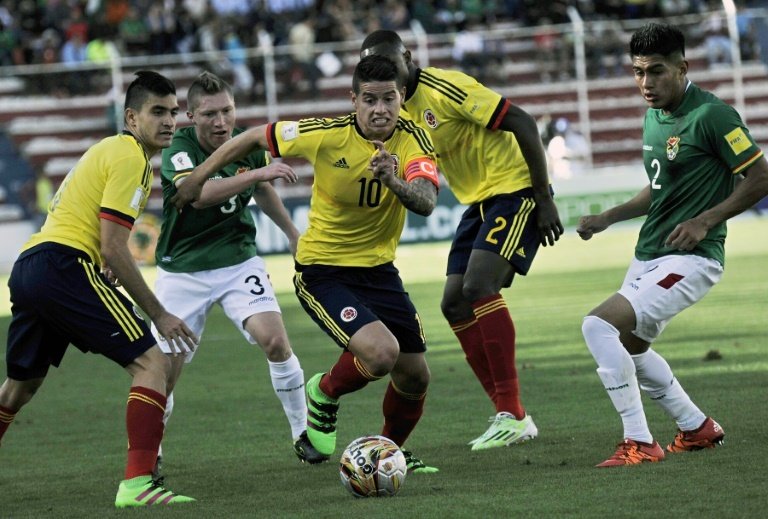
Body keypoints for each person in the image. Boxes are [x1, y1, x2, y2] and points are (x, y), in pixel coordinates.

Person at [171, 54, 441, 473]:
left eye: (389, 99)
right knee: (382, 353)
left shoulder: (415, 140)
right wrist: (197, 177)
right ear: (353, 99)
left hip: (380, 271)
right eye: (369, 99)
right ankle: (324, 392)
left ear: (402, 97)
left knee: (415, 376)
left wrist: (393, 180)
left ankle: (387, 452)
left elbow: (425, 200)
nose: (380, 109)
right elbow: (251, 139)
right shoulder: (324, 133)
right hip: (323, 270)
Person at [0, 71, 199, 507]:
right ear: (131, 117)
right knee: (153, 363)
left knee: (19, 387)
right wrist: (159, 313)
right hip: (62, 265)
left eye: (172, 113)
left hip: (33, 265)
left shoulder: (110, 150)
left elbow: (100, 238)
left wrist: (102, 261)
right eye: (157, 112)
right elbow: (112, 246)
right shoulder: (130, 155)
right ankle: (137, 485)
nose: (169, 121)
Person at [360, 30, 564, 451]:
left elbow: (522, 121)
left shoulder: (445, 88)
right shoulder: (395, 109)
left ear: (408, 58)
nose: (383, 74)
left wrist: (543, 198)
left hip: (515, 188)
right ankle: (508, 413)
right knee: (453, 301)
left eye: (389, 63)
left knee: (478, 286)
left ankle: (512, 412)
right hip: (478, 200)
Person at [577, 22, 768, 468]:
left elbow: (760, 177)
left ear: (683, 67)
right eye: (638, 72)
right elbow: (660, 187)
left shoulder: (713, 116)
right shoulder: (654, 114)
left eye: (656, 71)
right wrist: (610, 217)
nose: (645, 83)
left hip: (693, 258)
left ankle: (639, 442)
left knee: (597, 326)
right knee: (630, 347)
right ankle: (696, 427)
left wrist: (705, 220)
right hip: (649, 254)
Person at [152, 70, 324, 470]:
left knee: (276, 342)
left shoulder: (245, 142)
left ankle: (303, 433)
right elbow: (197, 195)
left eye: (227, 111)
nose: (221, 122)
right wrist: (259, 172)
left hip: (237, 259)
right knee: (163, 372)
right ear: (191, 116)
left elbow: (262, 190)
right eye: (210, 114)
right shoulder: (178, 148)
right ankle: (151, 452)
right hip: (183, 269)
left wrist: (291, 231)